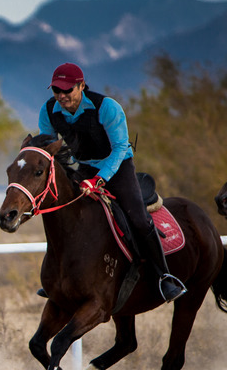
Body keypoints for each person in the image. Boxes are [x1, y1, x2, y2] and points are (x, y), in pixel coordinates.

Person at [39, 63, 186, 302]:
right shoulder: (47, 111)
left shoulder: (107, 107)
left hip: (118, 167)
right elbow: (48, 149)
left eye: (67, 89)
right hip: (84, 167)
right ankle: (60, 279)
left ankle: (164, 277)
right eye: (56, 89)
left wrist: (99, 179)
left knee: (138, 219)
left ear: (81, 86)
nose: (61, 95)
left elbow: (119, 148)